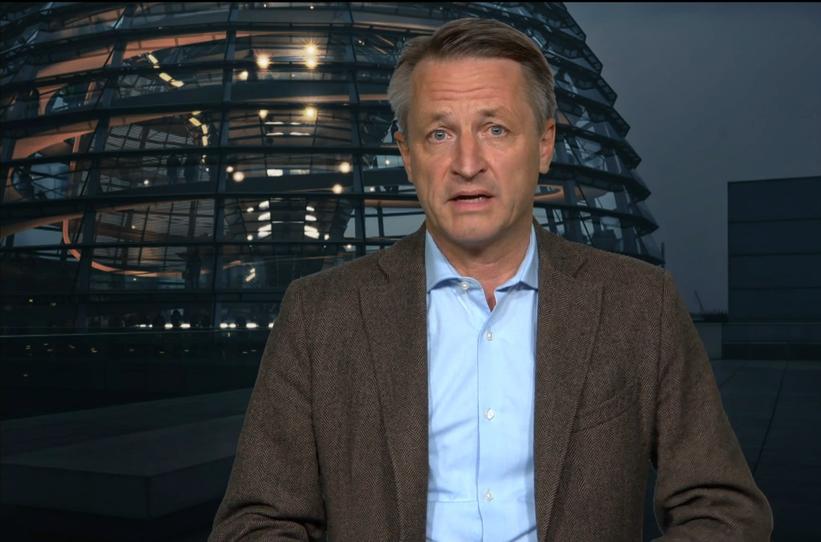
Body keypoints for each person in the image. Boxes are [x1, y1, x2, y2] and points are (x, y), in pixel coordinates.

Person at [210, 18, 772, 541]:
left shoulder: (639, 305)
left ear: (544, 144)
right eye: (439, 134)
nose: (467, 163)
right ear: (407, 155)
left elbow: (724, 509)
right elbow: (256, 522)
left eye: (496, 129)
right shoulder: (320, 315)